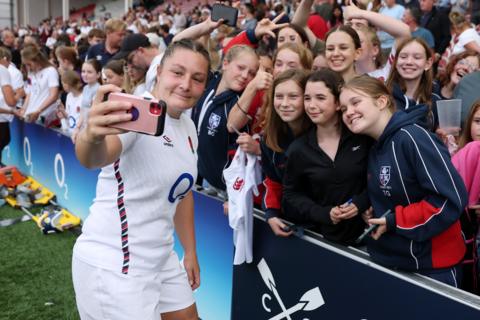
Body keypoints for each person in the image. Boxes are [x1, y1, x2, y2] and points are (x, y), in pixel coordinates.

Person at [72, 39, 209, 320]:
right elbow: (93, 157)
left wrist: (191, 251)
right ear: (159, 72)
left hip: (161, 256)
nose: (186, 84)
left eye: (197, 79)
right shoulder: (137, 113)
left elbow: (181, 193)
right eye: (177, 73)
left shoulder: (187, 125)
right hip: (115, 265)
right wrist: (91, 135)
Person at [340, 75, 467, 287]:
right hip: (394, 263)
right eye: (343, 109)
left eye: (355, 102)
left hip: (432, 270)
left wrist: (395, 220)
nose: (349, 112)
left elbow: (449, 200)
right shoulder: (375, 146)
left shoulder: (413, 137)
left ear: (381, 102)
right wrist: (370, 207)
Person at [281, 69, 370, 245]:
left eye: (320, 98)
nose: (311, 105)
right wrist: (323, 213)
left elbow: (379, 180)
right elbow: (291, 193)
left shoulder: (363, 137)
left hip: (370, 240)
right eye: (307, 98)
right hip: (324, 241)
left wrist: (361, 203)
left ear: (338, 103)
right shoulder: (298, 149)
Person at [260, 69, 312, 236]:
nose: (284, 103)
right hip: (289, 223)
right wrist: (271, 213)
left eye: (293, 96)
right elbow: (272, 180)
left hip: (324, 227)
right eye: (279, 96)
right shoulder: (270, 137)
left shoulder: (323, 134)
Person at [386, 37, 439, 130]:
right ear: (395, 62)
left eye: (417, 57)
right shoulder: (381, 95)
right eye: (403, 57)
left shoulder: (435, 100)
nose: (409, 62)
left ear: (428, 63)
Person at [19, 45, 60, 124]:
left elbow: (53, 95)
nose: (28, 67)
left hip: (43, 116)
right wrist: (23, 109)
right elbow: (30, 93)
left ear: (37, 60)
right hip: (31, 115)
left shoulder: (50, 71)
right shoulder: (30, 73)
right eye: (25, 65)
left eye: (29, 64)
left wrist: (38, 111)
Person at [0, 47, 18, 166]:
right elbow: (11, 101)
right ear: (4, 59)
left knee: (5, 140)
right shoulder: (2, 70)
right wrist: (20, 93)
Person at [57, 70, 83, 140]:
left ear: (68, 84)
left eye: (63, 83)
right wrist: (63, 111)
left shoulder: (83, 98)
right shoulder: (69, 96)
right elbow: (69, 116)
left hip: (80, 135)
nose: (62, 86)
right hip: (70, 134)